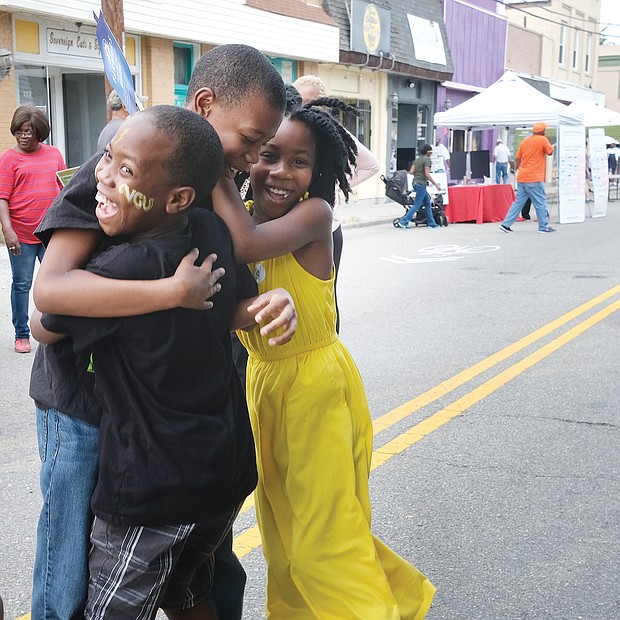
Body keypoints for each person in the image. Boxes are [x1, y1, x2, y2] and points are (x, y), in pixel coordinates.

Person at [30, 43, 286, 620]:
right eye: (247, 142)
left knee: (197, 572)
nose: (249, 160)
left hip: (171, 434)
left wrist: (258, 305)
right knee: (72, 570)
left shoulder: (205, 183)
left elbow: (225, 297)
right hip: (86, 407)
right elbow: (47, 303)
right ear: (204, 103)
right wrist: (168, 293)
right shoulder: (120, 167)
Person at [212, 99, 435, 619]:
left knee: (324, 541)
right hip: (265, 388)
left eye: (300, 161)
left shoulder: (315, 215)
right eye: (268, 154)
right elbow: (223, 307)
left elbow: (246, 248)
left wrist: (208, 165)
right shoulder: (240, 215)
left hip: (316, 389)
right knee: (284, 537)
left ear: (320, 172)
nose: (281, 172)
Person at [292, 75, 379, 331]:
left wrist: (336, 183)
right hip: (295, 226)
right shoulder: (291, 129)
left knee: (325, 293)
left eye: (308, 101)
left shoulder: (333, 133)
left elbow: (371, 165)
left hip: (328, 230)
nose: (301, 106)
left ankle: (330, 345)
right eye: (297, 100)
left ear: (322, 105)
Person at [0, 105, 66, 353]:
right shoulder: (8, 159)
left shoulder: (54, 155)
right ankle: (21, 334)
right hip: (23, 236)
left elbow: (63, 188)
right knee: (21, 284)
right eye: (19, 131)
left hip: (50, 233)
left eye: (29, 131)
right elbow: (2, 197)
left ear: (40, 132)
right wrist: (8, 230)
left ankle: (55, 327)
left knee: (56, 282)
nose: (23, 136)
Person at [500, 121, 556, 234]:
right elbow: (549, 152)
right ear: (543, 131)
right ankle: (543, 226)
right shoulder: (543, 140)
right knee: (540, 201)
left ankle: (506, 224)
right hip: (534, 176)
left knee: (518, 202)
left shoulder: (525, 141)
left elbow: (518, 158)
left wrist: (520, 169)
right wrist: (551, 144)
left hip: (522, 176)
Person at [395, 144, 440, 229]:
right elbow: (427, 174)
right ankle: (404, 222)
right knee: (417, 205)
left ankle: (432, 223)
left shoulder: (417, 160)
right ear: (428, 152)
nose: (431, 153)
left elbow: (411, 171)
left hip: (415, 183)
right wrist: (435, 184)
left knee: (427, 203)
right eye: (431, 152)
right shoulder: (427, 160)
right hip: (421, 184)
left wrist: (418, 173)